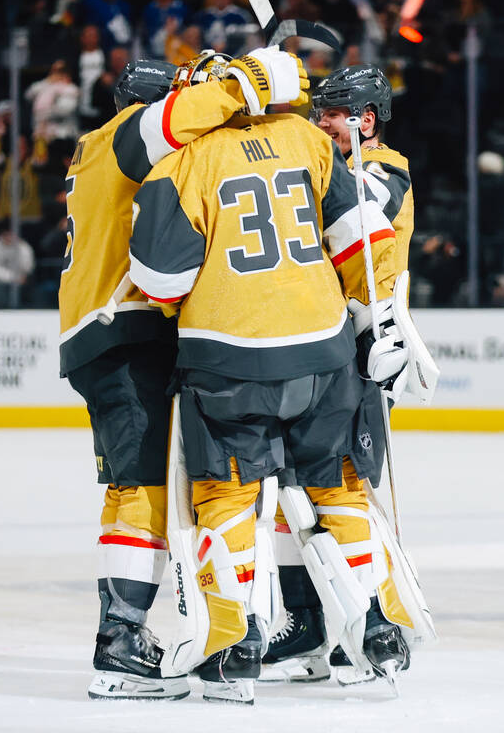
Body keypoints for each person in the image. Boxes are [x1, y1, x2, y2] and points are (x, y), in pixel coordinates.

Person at [128, 52, 410, 704]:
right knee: (338, 488)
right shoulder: (308, 140)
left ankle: (234, 649)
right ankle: (378, 624)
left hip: (228, 362)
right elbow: (363, 240)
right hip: (324, 357)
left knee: (227, 500)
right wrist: (379, 325)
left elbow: (158, 281)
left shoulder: (183, 164)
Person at [60, 48, 308, 701]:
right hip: (130, 330)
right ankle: (123, 644)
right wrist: (243, 85)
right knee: (143, 487)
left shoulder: (97, 150)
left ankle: (152, 635)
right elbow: (176, 123)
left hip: (108, 334)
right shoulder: (127, 135)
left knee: (145, 484)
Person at [252, 63, 425, 689]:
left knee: (343, 486)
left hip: (363, 346)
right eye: (317, 113)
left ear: (366, 120)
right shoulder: (331, 158)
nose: (318, 124)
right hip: (317, 342)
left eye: (329, 115)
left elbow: (359, 211)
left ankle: (373, 622)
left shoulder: (386, 168)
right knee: (289, 485)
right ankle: (307, 623)